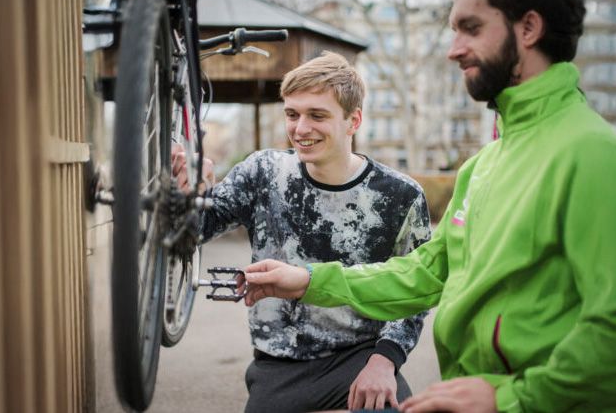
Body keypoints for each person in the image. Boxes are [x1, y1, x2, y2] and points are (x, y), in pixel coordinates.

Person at [239, 0, 616, 412]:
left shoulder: (591, 152)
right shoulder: (482, 165)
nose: (454, 50)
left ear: (528, 28)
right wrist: (309, 280)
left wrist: (511, 400)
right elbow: (427, 273)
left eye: (471, 28)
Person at [173, 51, 431, 412]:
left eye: (317, 115)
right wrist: (187, 193)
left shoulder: (400, 195)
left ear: (353, 120)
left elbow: (416, 289)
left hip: (361, 356)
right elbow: (193, 232)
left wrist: (386, 359)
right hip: (280, 363)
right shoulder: (263, 171)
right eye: (292, 114)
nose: (300, 128)